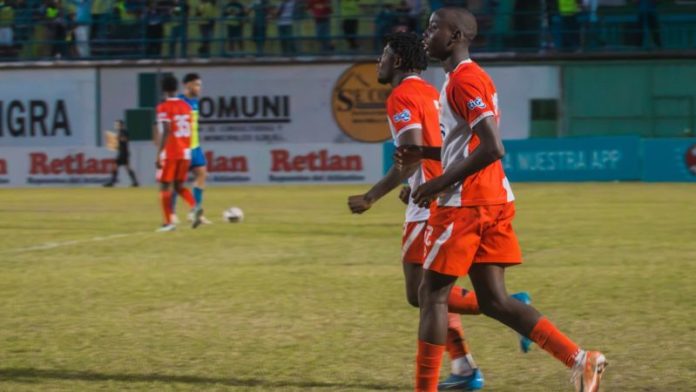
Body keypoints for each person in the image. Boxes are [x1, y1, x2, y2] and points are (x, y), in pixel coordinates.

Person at [407, 8, 607, 391]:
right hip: (492, 198)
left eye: (434, 27)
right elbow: (466, 144)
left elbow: (492, 146)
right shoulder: (466, 79)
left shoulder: (464, 81)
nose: (426, 34)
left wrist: (437, 184)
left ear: (455, 36)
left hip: (467, 204)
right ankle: (581, 359)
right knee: (494, 299)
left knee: (430, 295)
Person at [348, 32, 531, 391]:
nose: (378, 62)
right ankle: (464, 366)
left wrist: (372, 196)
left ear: (397, 61)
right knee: (430, 293)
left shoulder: (401, 96)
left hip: (430, 203)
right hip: (439, 194)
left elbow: (410, 153)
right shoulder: (433, 92)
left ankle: (509, 310)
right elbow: (439, 146)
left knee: (424, 294)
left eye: (383, 55)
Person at [155, 75, 202, 232]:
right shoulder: (186, 106)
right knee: (179, 186)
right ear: (176, 88)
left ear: (163, 89)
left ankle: (169, 223)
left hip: (171, 152)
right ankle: (195, 207)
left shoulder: (163, 107)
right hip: (185, 152)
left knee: (164, 186)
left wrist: (159, 153)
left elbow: (167, 130)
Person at [170, 73, 212, 226]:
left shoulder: (194, 102)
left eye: (200, 85)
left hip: (195, 147)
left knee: (202, 174)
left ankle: (195, 213)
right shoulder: (178, 102)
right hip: (181, 148)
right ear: (187, 85)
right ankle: (172, 214)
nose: (199, 88)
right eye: (196, 85)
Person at [104, 120, 139, 187]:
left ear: (121, 125)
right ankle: (135, 182)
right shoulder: (120, 132)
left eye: (117, 124)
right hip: (123, 152)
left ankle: (112, 182)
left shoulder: (123, 131)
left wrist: (118, 138)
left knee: (116, 165)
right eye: (116, 124)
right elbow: (121, 142)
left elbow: (125, 139)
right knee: (127, 167)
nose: (116, 125)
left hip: (123, 152)